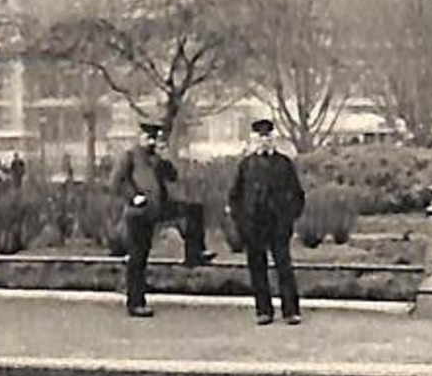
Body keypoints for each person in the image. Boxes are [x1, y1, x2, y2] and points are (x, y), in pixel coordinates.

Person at [109, 121, 215, 318]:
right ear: (140, 137)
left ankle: (195, 252)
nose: (150, 142)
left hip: (159, 206)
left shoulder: (156, 158)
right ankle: (136, 303)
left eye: (153, 138)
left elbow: (173, 176)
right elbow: (116, 182)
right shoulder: (129, 156)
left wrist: (166, 157)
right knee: (138, 257)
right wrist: (133, 196)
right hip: (138, 211)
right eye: (147, 138)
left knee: (193, 210)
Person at [228, 118, 307, 326]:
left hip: (278, 225)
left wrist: (289, 218)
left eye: (268, 137)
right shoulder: (246, 165)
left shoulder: (284, 164)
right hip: (254, 225)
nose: (265, 141)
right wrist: (242, 222)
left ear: (274, 139)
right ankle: (263, 310)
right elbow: (234, 196)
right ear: (254, 140)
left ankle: (291, 311)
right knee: (257, 267)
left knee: (284, 266)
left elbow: (298, 194)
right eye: (260, 137)